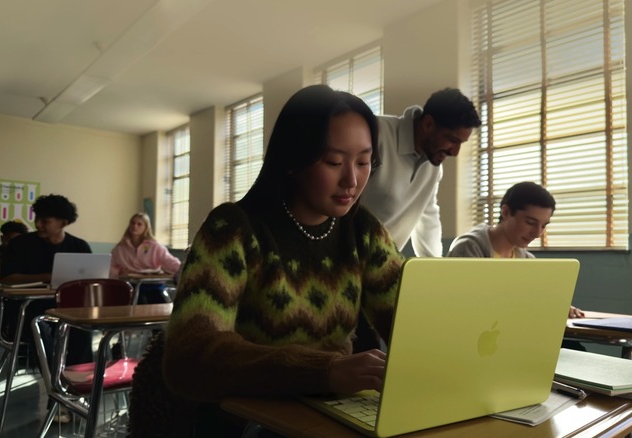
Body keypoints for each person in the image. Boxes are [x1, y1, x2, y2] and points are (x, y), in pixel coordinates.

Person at [128, 84, 405, 436]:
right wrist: (323, 371)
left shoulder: (362, 230)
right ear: (293, 160)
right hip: (242, 420)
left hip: (326, 411)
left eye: (364, 162)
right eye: (334, 162)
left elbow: (407, 318)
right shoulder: (232, 230)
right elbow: (191, 356)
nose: (352, 179)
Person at [359, 87, 481, 257]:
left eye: (461, 143)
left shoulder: (433, 166)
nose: (455, 152)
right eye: (452, 140)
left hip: (380, 264)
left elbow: (428, 217)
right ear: (428, 124)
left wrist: (434, 266)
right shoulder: (376, 133)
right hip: (338, 258)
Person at [447, 181, 585, 321]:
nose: (537, 233)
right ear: (506, 212)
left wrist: (558, 306)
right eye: (530, 223)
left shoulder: (528, 261)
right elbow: (468, 308)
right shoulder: (468, 248)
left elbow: (535, 300)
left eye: (543, 226)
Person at [0, 194, 94, 366]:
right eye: (37, 218)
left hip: (66, 307)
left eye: (45, 221)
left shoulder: (79, 247)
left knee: (82, 327)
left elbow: (90, 281)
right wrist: (48, 276)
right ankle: (53, 376)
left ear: (63, 223)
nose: (38, 224)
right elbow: (8, 279)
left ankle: (79, 374)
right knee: (39, 325)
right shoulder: (20, 244)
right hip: (27, 308)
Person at [110, 212, 181, 303]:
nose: (135, 226)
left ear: (146, 227)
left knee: (162, 302)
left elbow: (169, 261)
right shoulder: (120, 248)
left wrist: (182, 270)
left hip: (153, 285)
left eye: (139, 224)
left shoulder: (155, 247)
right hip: (130, 285)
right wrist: (119, 272)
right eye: (133, 223)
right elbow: (111, 266)